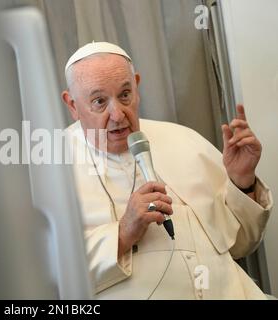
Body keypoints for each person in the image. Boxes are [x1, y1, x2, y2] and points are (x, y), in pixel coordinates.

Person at [61, 42, 273, 299]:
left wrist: (242, 182)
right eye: (99, 101)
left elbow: (243, 243)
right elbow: (48, 275)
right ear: (72, 105)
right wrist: (123, 233)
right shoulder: (51, 168)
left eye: (125, 94)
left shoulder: (183, 139)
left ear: (137, 87)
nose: (117, 115)